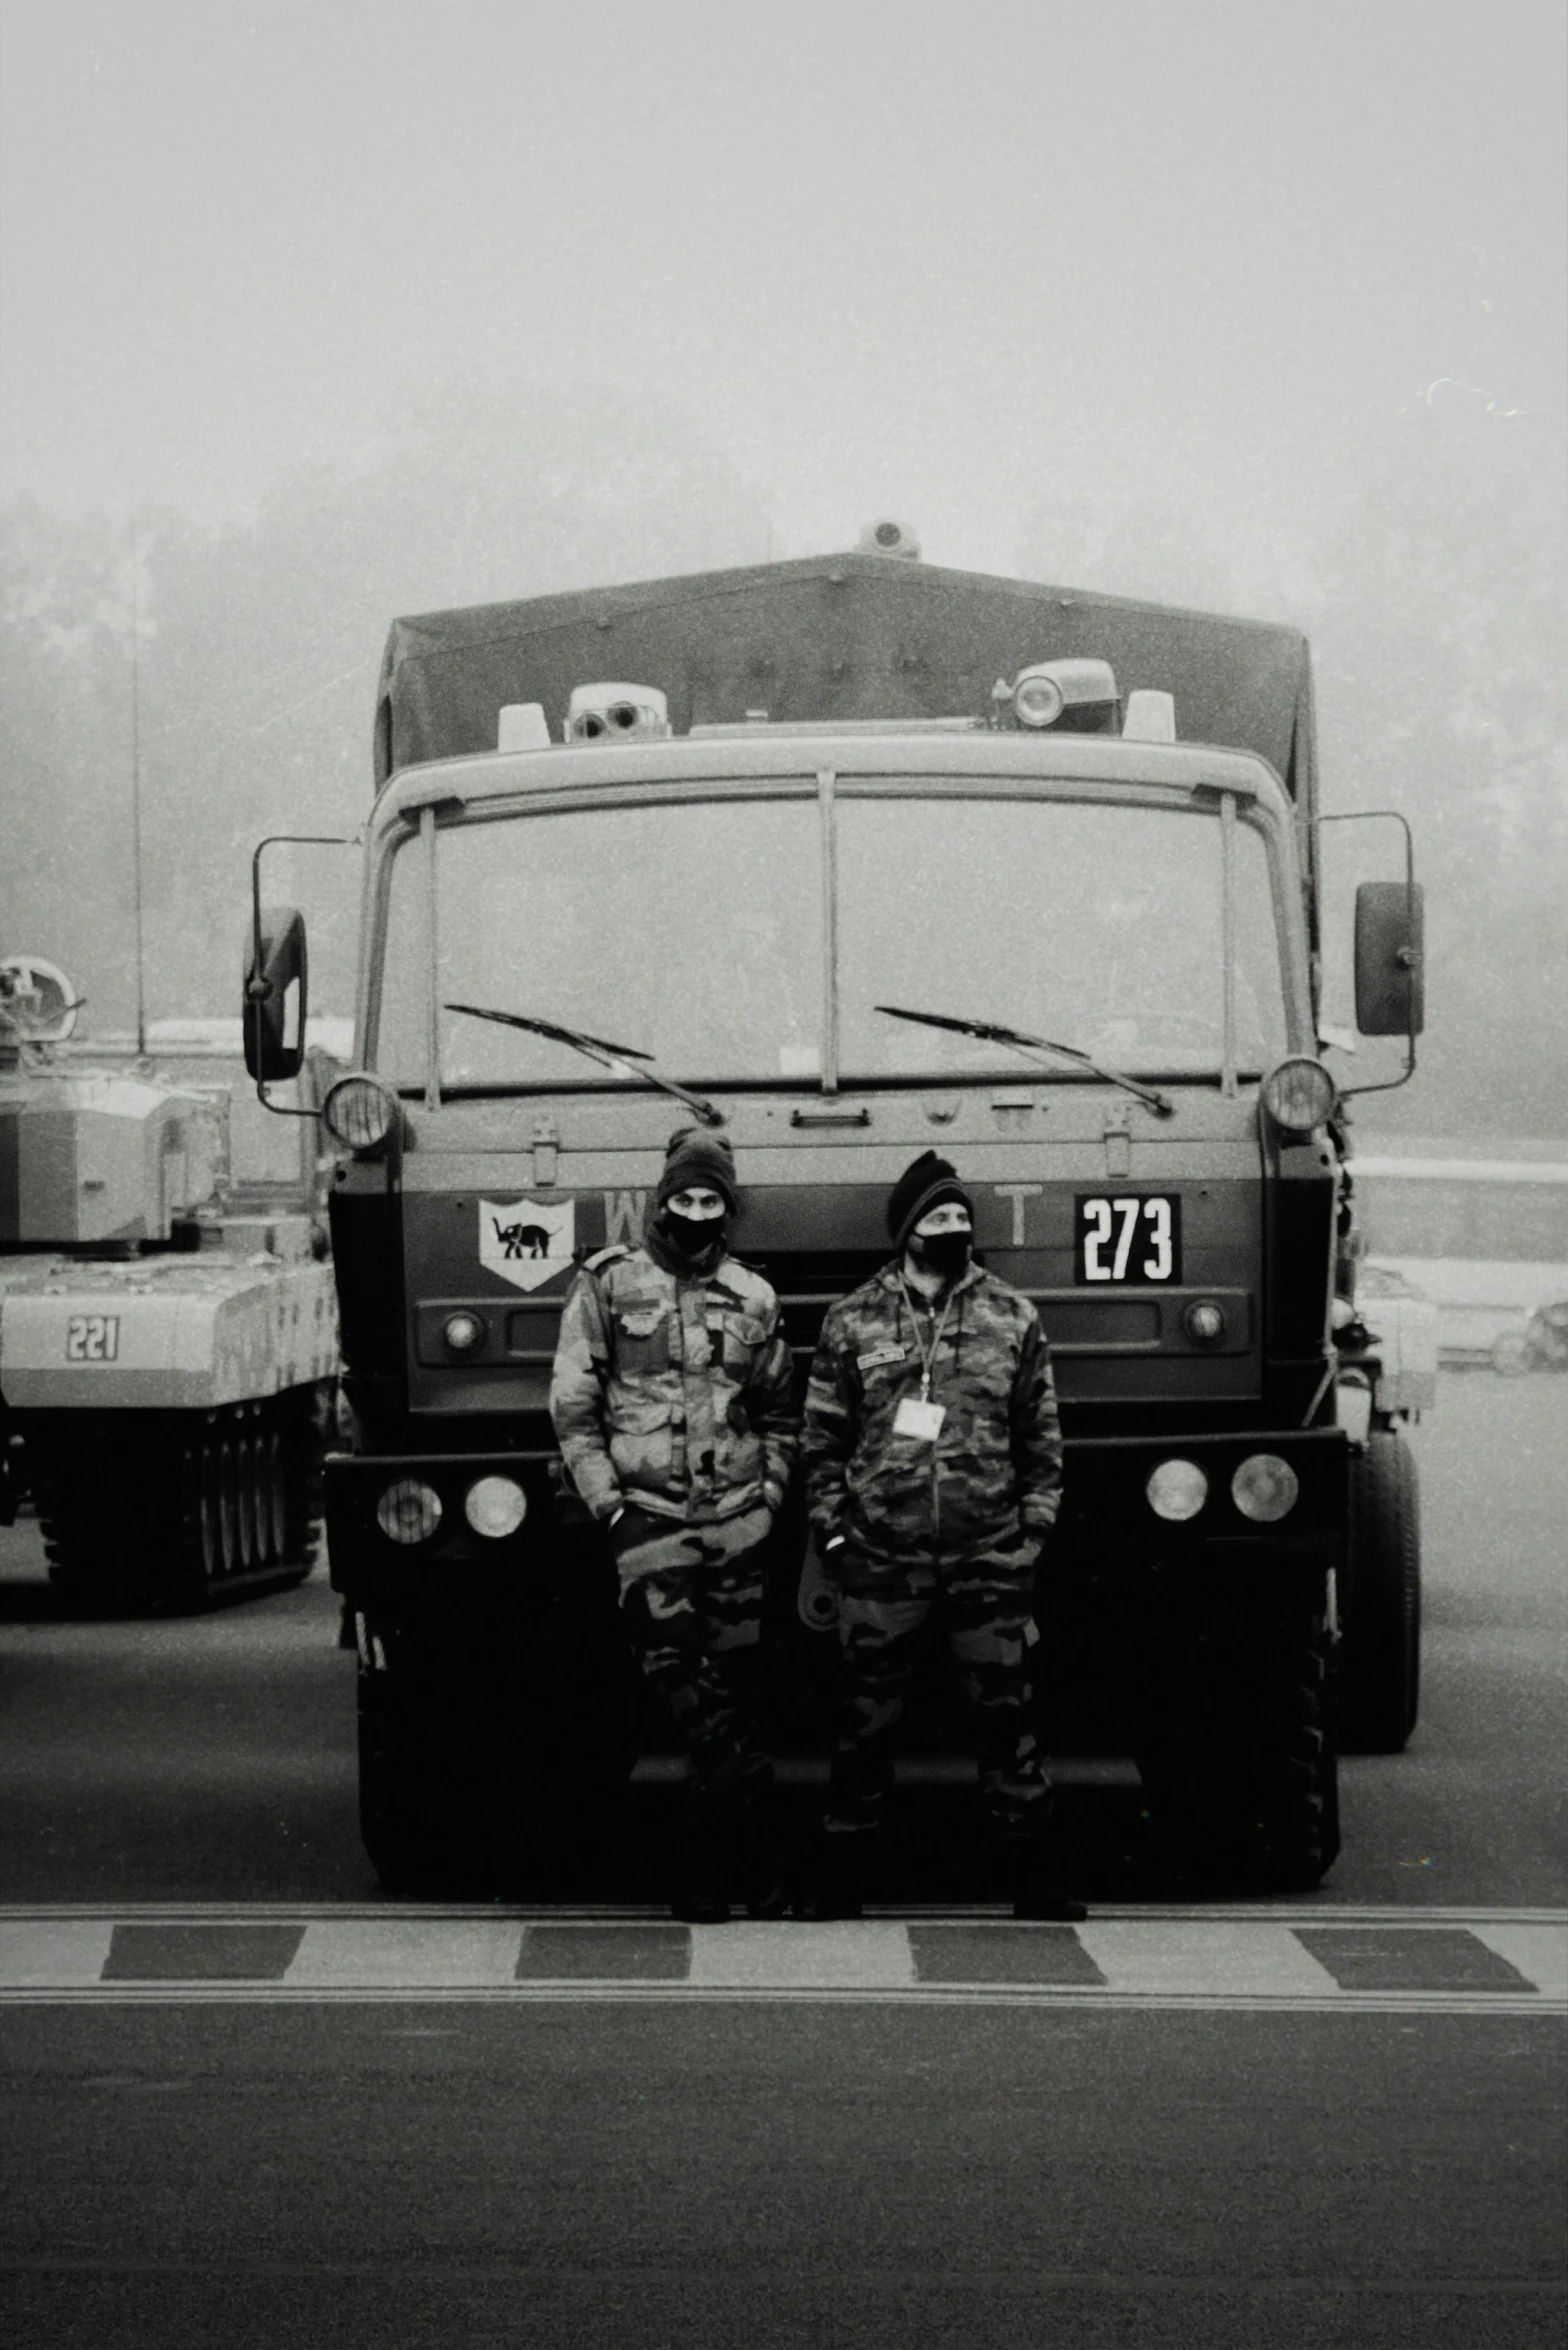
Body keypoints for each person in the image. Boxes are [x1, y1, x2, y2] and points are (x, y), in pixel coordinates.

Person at [799, 1150, 1085, 1921]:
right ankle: (841, 1878)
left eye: (960, 1217)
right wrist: (833, 1535)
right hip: (881, 1559)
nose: (951, 1229)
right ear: (906, 1231)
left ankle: (1034, 1879)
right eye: (936, 1218)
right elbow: (821, 1441)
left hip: (986, 1554)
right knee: (865, 1724)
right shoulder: (852, 1320)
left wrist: (1031, 1536)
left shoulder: (1012, 1316)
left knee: (1008, 1722)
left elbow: (1042, 1441)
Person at [550, 1127, 798, 1921]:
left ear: (728, 1208)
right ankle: (754, 1854)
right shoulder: (606, 1284)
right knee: (687, 1689)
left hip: (737, 1526)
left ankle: (718, 1879)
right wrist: (609, 1507)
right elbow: (573, 1410)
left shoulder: (753, 1296)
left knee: (728, 1694)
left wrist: (769, 1500)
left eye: (712, 1200)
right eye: (685, 1199)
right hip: (648, 1525)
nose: (698, 1213)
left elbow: (782, 1411)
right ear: (662, 1203)